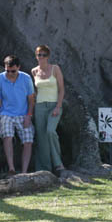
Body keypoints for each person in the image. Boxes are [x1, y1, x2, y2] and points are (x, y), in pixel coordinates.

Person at [0, 55, 35, 174]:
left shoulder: (26, 78)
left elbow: (31, 99)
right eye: (7, 71)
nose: (10, 73)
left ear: (19, 67)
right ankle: (11, 168)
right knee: (7, 135)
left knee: (28, 139)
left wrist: (29, 115)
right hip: (6, 113)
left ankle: (24, 171)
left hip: (23, 113)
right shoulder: (0, 79)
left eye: (13, 71)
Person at [31, 45, 65, 173]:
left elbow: (61, 89)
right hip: (39, 106)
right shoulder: (34, 71)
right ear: (36, 56)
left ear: (48, 56)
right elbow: (35, 91)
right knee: (41, 137)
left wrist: (58, 106)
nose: (41, 57)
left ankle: (58, 164)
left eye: (44, 55)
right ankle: (44, 169)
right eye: (39, 55)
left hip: (53, 106)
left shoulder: (55, 69)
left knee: (50, 131)